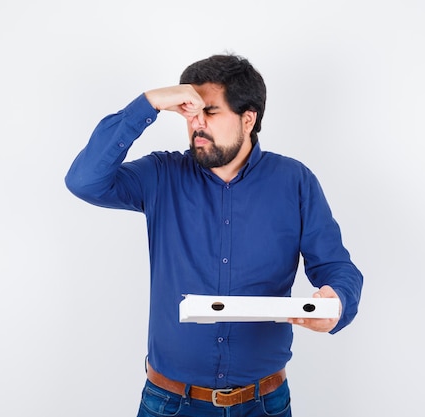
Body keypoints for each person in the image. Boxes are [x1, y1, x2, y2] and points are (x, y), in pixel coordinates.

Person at [65, 53, 363, 417]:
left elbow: (336, 266)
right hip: (170, 403)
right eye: (190, 113)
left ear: (248, 118)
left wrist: (337, 303)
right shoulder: (161, 174)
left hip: (263, 404)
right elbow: (84, 181)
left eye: (210, 112)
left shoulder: (295, 181)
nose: (196, 125)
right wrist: (149, 103)